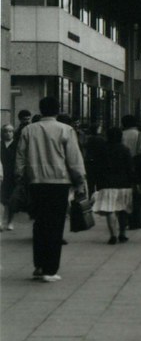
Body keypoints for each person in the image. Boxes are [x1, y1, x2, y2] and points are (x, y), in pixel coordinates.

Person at [15, 96, 86, 282]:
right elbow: (74, 159)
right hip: (59, 183)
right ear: (57, 110)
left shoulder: (28, 130)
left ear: (41, 109)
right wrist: (80, 181)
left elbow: (20, 158)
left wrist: (21, 178)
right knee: (55, 225)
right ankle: (50, 269)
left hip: (36, 182)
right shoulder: (66, 129)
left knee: (39, 224)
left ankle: (38, 265)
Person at [91, 127, 134, 245]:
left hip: (106, 183)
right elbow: (130, 168)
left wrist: (97, 183)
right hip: (123, 183)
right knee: (123, 209)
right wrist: (132, 181)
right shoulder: (125, 149)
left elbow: (97, 168)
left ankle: (113, 235)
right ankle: (123, 234)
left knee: (109, 209)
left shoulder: (102, 149)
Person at [1, 124, 17, 230]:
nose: (8, 133)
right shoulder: (0, 144)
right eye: (6, 131)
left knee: (12, 199)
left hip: (13, 174)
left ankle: (10, 222)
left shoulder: (17, 145)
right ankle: (1, 221)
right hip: (2, 174)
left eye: (10, 131)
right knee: (1, 198)